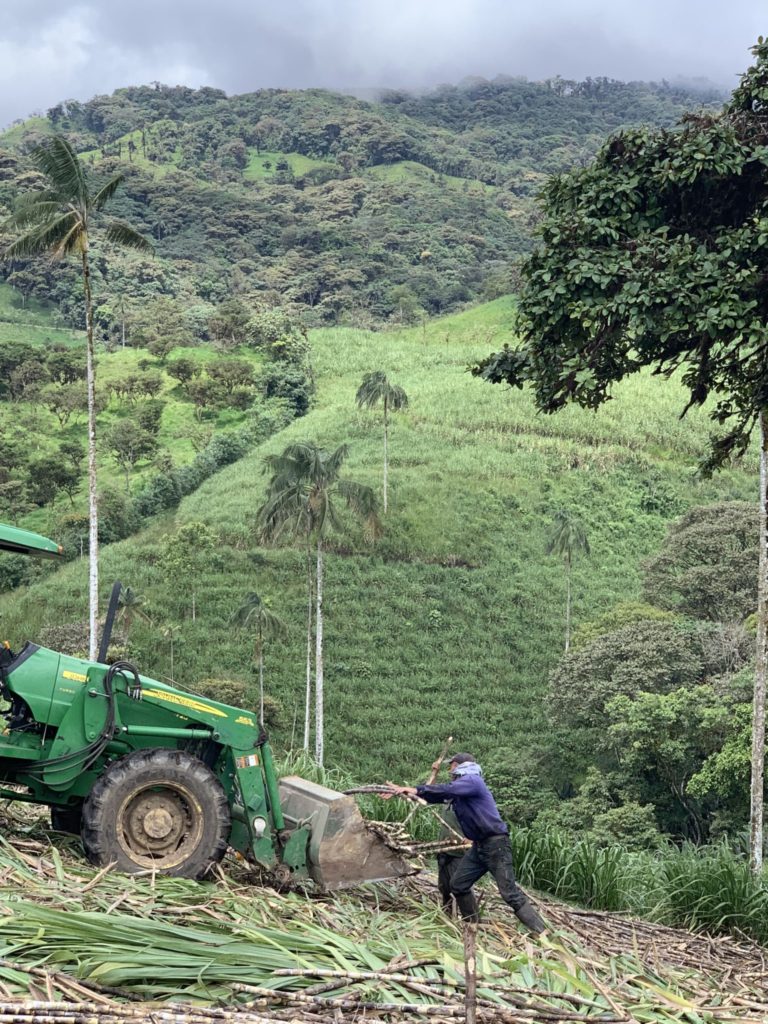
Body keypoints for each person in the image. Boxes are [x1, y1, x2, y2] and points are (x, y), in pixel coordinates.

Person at [387, 752, 547, 935]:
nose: (449, 770)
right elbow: (437, 795)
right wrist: (407, 791)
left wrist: (416, 789)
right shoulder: (460, 790)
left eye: (451, 766)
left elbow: (447, 790)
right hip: (480, 846)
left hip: (496, 845)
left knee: (509, 893)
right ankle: (472, 928)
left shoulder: (472, 780)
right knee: (458, 884)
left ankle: (543, 934)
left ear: (457, 765)